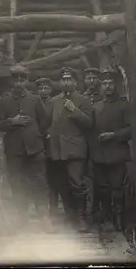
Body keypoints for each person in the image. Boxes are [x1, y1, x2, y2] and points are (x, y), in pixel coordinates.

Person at [0, 64, 51, 232]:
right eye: (16, 79)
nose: (19, 83)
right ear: (11, 81)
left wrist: (36, 137)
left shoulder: (34, 99)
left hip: (35, 150)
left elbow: (44, 122)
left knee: (39, 183)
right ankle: (22, 218)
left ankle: (44, 217)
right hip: (14, 151)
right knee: (17, 184)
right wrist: (12, 122)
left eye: (22, 79)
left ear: (26, 81)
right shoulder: (4, 100)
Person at [48, 67, 93, 232]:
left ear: (75, 82)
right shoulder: (53, 101)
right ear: (59, 83)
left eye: (69, 79)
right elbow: (47, 123)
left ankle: (82, 217)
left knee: (77, 183)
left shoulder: (83, 100)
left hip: (75, 150)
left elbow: (89, 123)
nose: (66, 82)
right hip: (57, 150)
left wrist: (74, 110)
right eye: (63, 80)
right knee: (62, 184)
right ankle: (70, 215)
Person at [90, 67, 132, 233]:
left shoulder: (124, 105)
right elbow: (90, 129)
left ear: (116, 85)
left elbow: (131, 130)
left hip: (117, 155)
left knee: (117, 189)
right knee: (102, 188)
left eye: (110, 83)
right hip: (99, 155)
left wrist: (113, 135)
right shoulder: (96, 106)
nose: (107, 86)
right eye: (104, 83)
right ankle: (106, 217)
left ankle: (118, 219)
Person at [35, 77, 61, 223]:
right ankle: (42, 210)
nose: (43, 91)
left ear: (50, 90)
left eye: (46, 88)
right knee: (40, 179)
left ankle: (54, 209)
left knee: (54, 179)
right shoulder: (34, 104)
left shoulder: (55, 103)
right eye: (41, 88)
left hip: (54, 146)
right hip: (38, 145)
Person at [82, 67, 104, 225]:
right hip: (84, 142)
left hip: (100, 141)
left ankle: (98, 209)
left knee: (99, 177)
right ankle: (86, 210)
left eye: (94, 78)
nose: (91, 81)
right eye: (88, 78)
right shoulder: (81, 98)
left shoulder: (103, 97)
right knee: (85, 176)